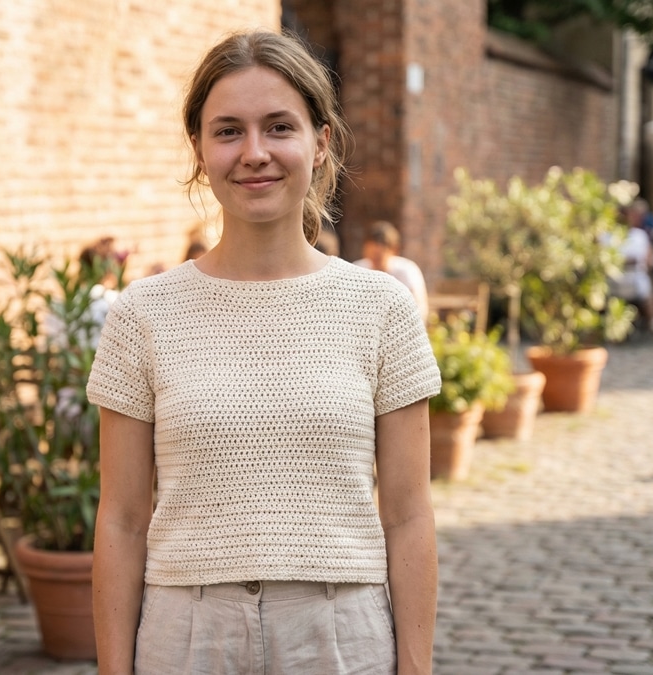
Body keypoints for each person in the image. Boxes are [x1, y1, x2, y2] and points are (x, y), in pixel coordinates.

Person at [87, 29, 441, 675]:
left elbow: (410, 514)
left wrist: (415, 668)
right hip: (184, 633)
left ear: (320, 141)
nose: (255, 153)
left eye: (279, 127)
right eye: (228, 131)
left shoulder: (381, 307)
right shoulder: (142, 313)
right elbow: (121, 519)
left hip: (341, 634)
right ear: (198, 147)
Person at [354, 220, 430, 318]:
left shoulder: (407, 271)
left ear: (394, 249)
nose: (375, 260)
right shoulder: (357, 270)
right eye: (371, 255)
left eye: (379, 256)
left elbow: (419, 307)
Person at [614, 204, 653, 334]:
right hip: (622, 279)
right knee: (648, 284)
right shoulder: (637, 235)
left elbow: (648, 259)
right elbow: (649, 261)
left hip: (622, 279)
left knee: (647, 282)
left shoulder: (639, 235)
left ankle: (650, 319)